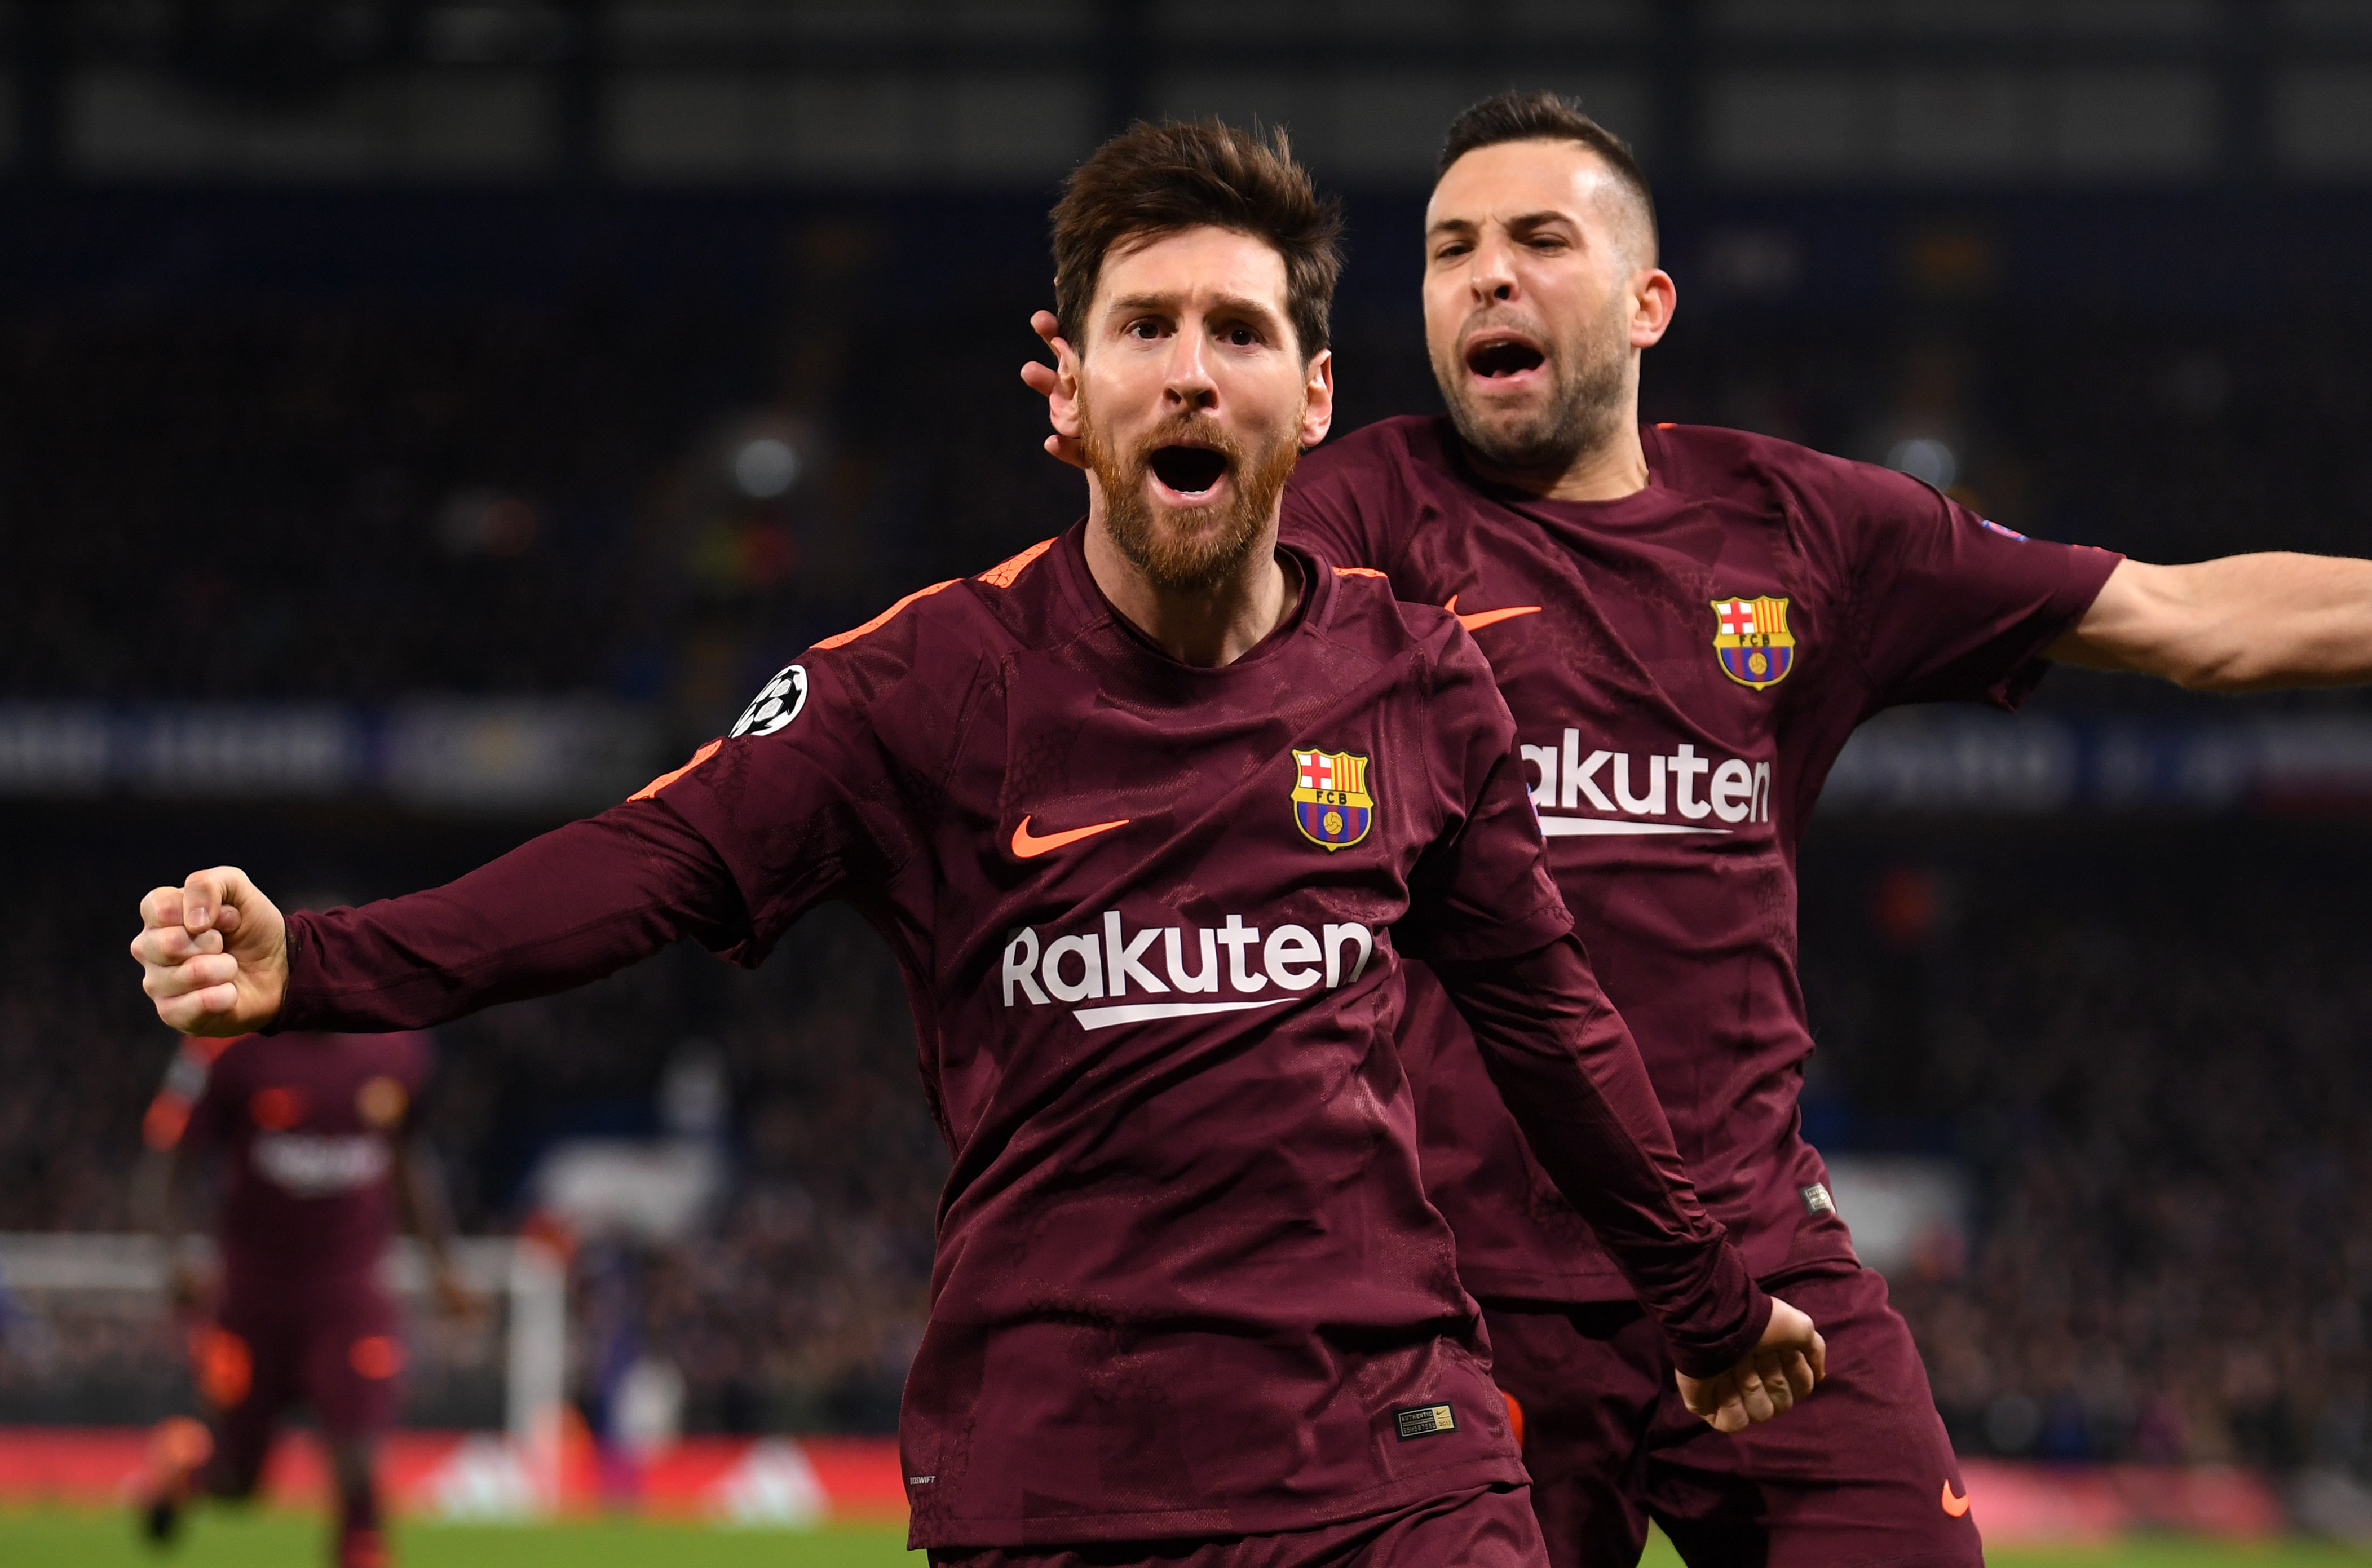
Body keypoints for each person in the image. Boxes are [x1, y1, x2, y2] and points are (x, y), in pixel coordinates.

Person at [130, 121, 1822, 1568]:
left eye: (1236, 330)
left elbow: (1552, 1026)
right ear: (1065, 391)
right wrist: (323, 968)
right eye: (1143, 326)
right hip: (1057, 1468)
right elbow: (644, 866)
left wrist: (1706, 1298)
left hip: (1394, 1454)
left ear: (1309, 399)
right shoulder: (921, 687)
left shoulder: (1416, 679)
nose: (1188, 366)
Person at [1021, 92, 2372, 1568]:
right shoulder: (1362, 511)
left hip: (1753, 1261)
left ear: (1644, 298)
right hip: (1446, 1304)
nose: (1485, 275)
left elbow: (2187, 620)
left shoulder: (1802, 529)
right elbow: (1169, 611)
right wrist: (1132, 460)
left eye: (1538, 239)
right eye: (1448, 248)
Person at [131, 1027, 474, 1568]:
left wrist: (443, 1267)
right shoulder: (228, 1048)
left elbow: (408, 1157)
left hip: (350, 1295)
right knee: (237, 1481)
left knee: (358, 1464)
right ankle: (185, 1467)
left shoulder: (398, 1046)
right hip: (252, 1298)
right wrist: (174, 1258)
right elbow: (171, 1160)